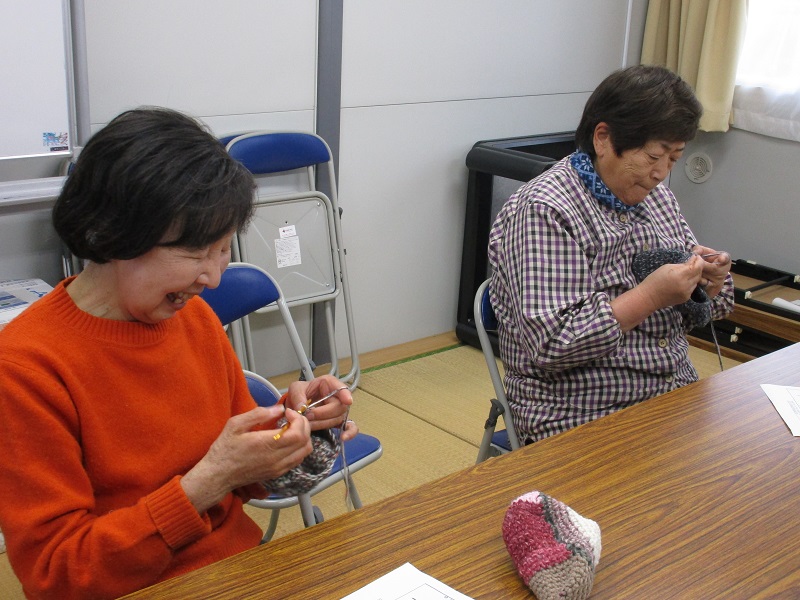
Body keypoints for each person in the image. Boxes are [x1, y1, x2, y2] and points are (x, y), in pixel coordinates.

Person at [0, 107, 358, 600]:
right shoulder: (24, 368)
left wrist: (298, 427)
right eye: (193, 253)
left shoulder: (194, 320)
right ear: (111, 233)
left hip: (237, 573)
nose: (212, 276)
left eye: (224, 249)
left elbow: (252, 483)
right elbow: (59, 576)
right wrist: (207, 482)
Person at [488, 65, 734, 444]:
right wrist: (649, 296)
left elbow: (700, 311)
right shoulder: (545, 208)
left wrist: (708, 285)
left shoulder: (658, 199)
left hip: (671, 390)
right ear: (603, 138)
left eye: (673, 159)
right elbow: (553, 346)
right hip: (579, 410)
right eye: (653, 156)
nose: (661, 173)